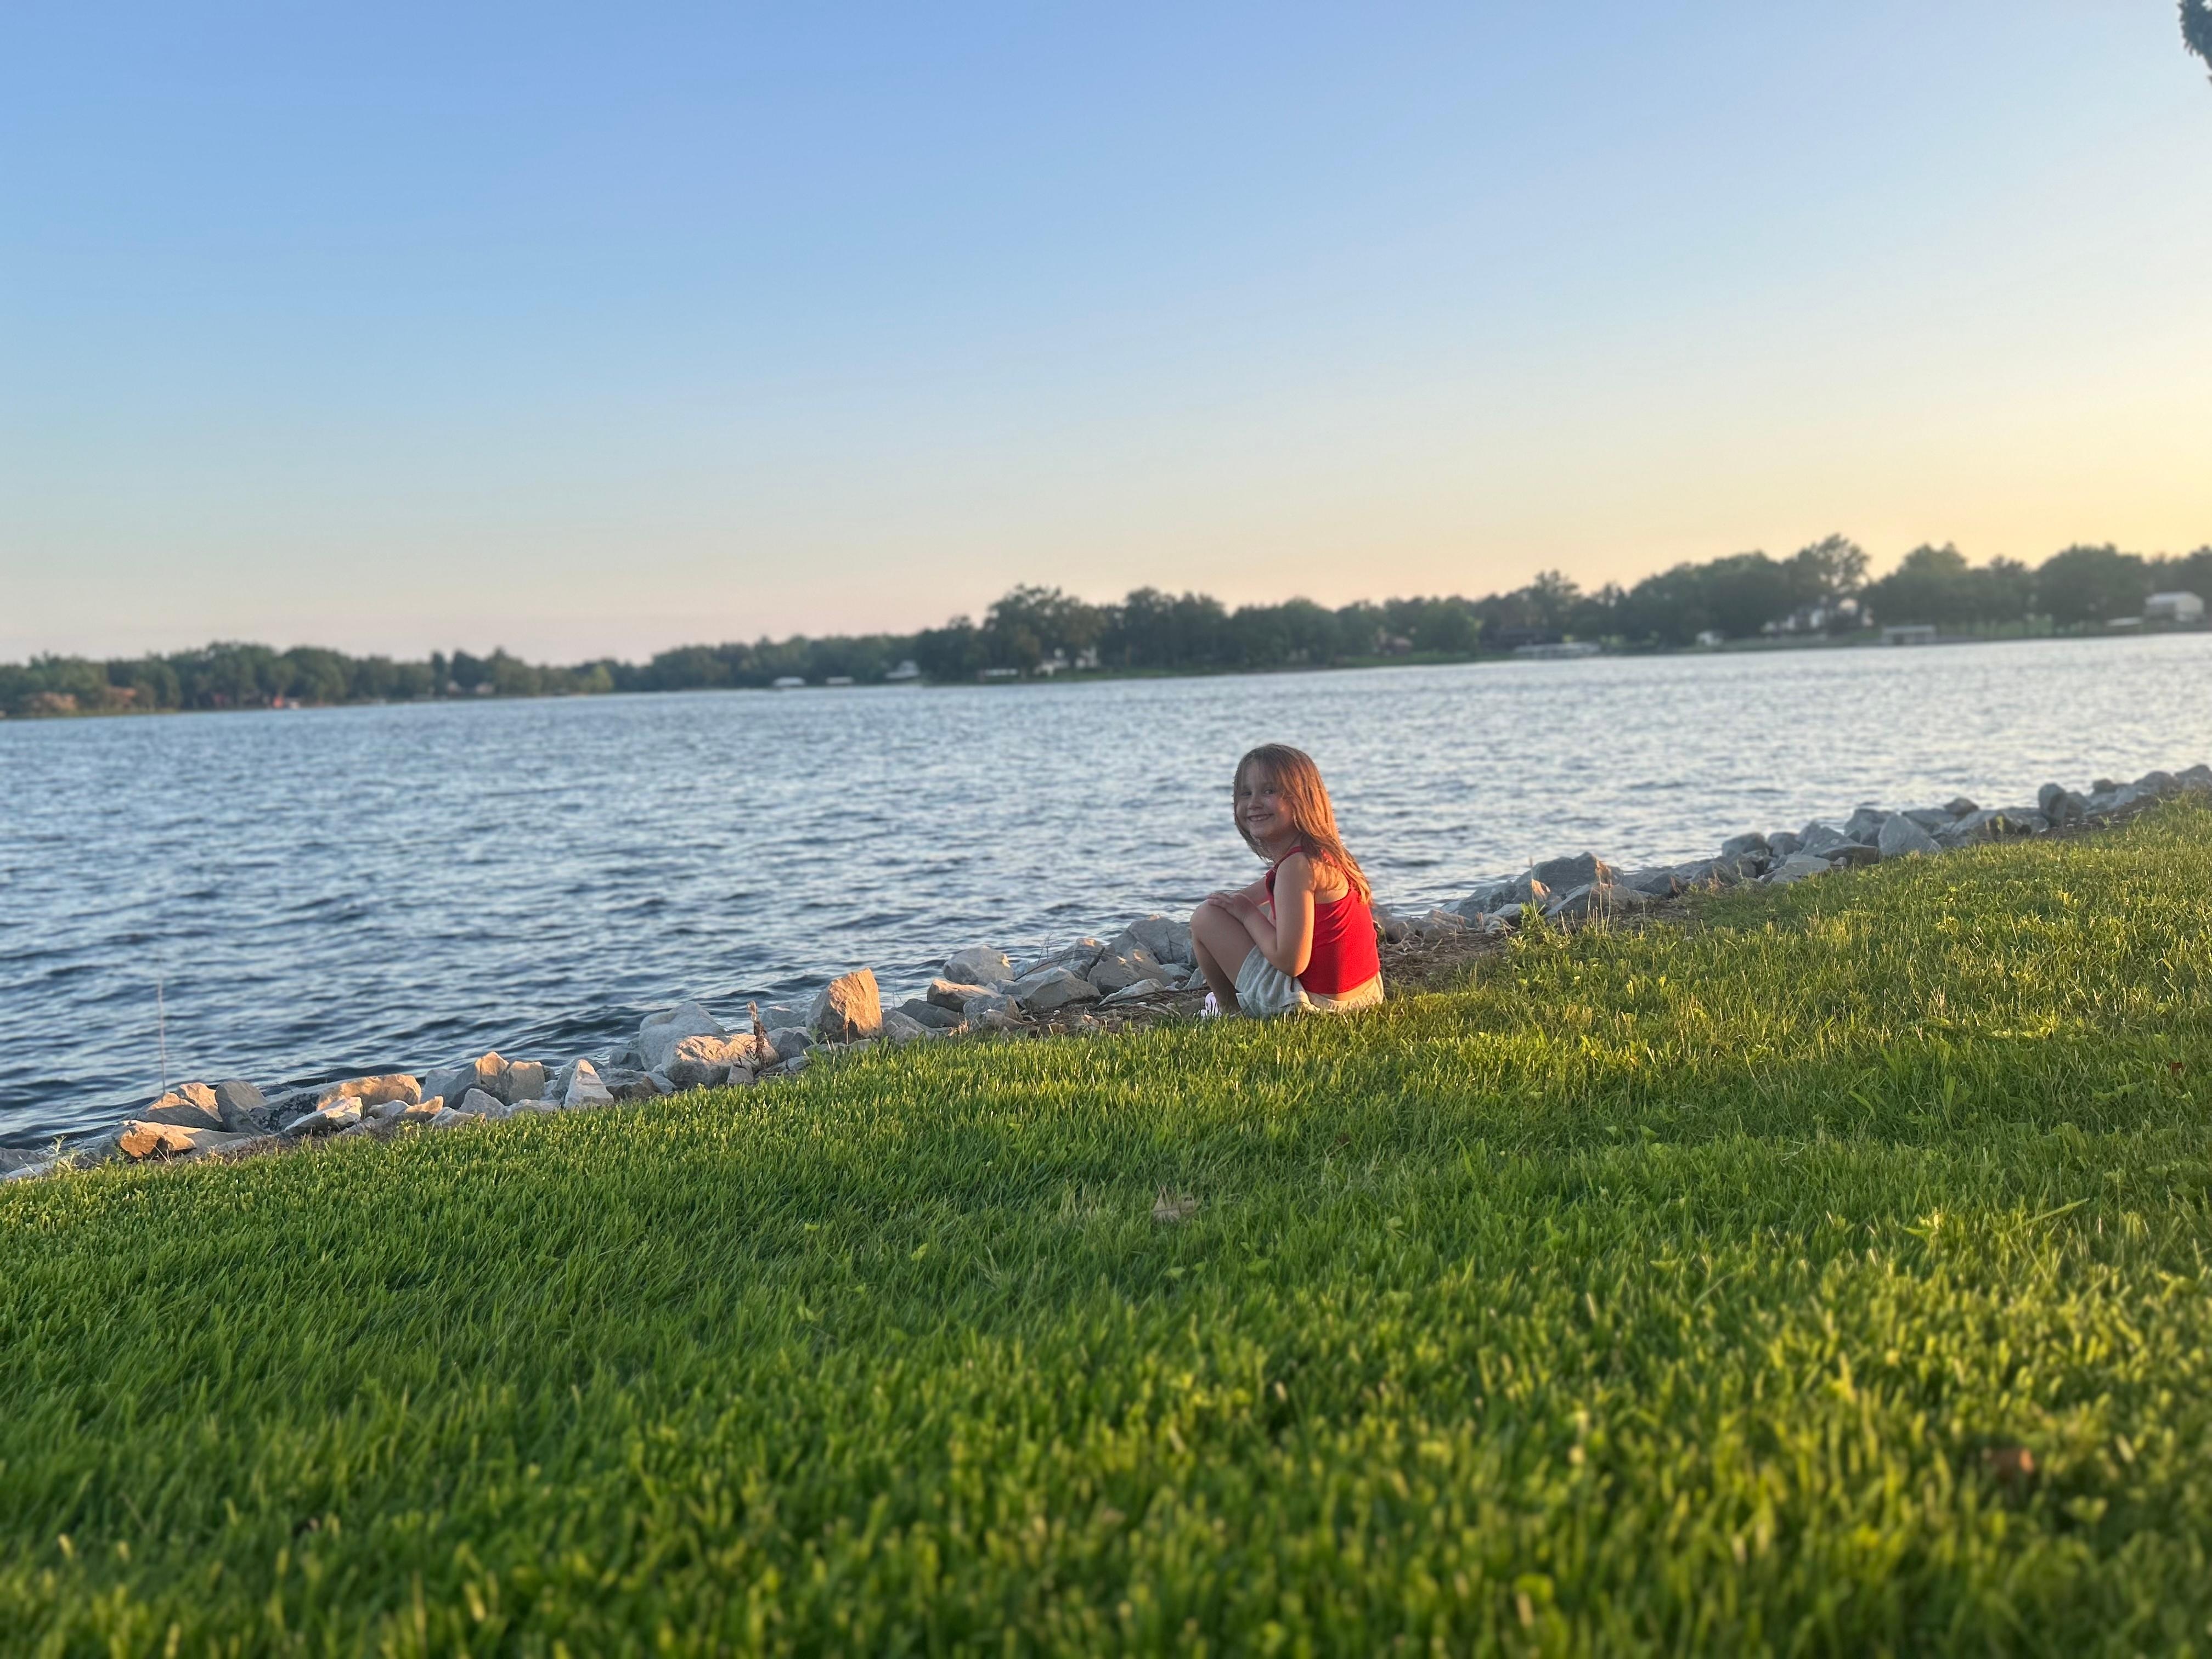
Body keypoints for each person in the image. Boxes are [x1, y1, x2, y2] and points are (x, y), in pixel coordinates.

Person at [1190, 743, 1384, 1017]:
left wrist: (1245, 916)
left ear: (1303, 798)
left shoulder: (1297, 867)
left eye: (1269, 791)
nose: (1254, 803)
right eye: (1246, 793)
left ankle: (1230, 1012)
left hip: (1312, 1007)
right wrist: (1237, 907)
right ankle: (1232, 1005)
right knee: (1228, 911)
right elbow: (1245, 898)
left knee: (1204, 917)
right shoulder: (1324, 854)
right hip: (1364, 997)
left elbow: (1291, 962)